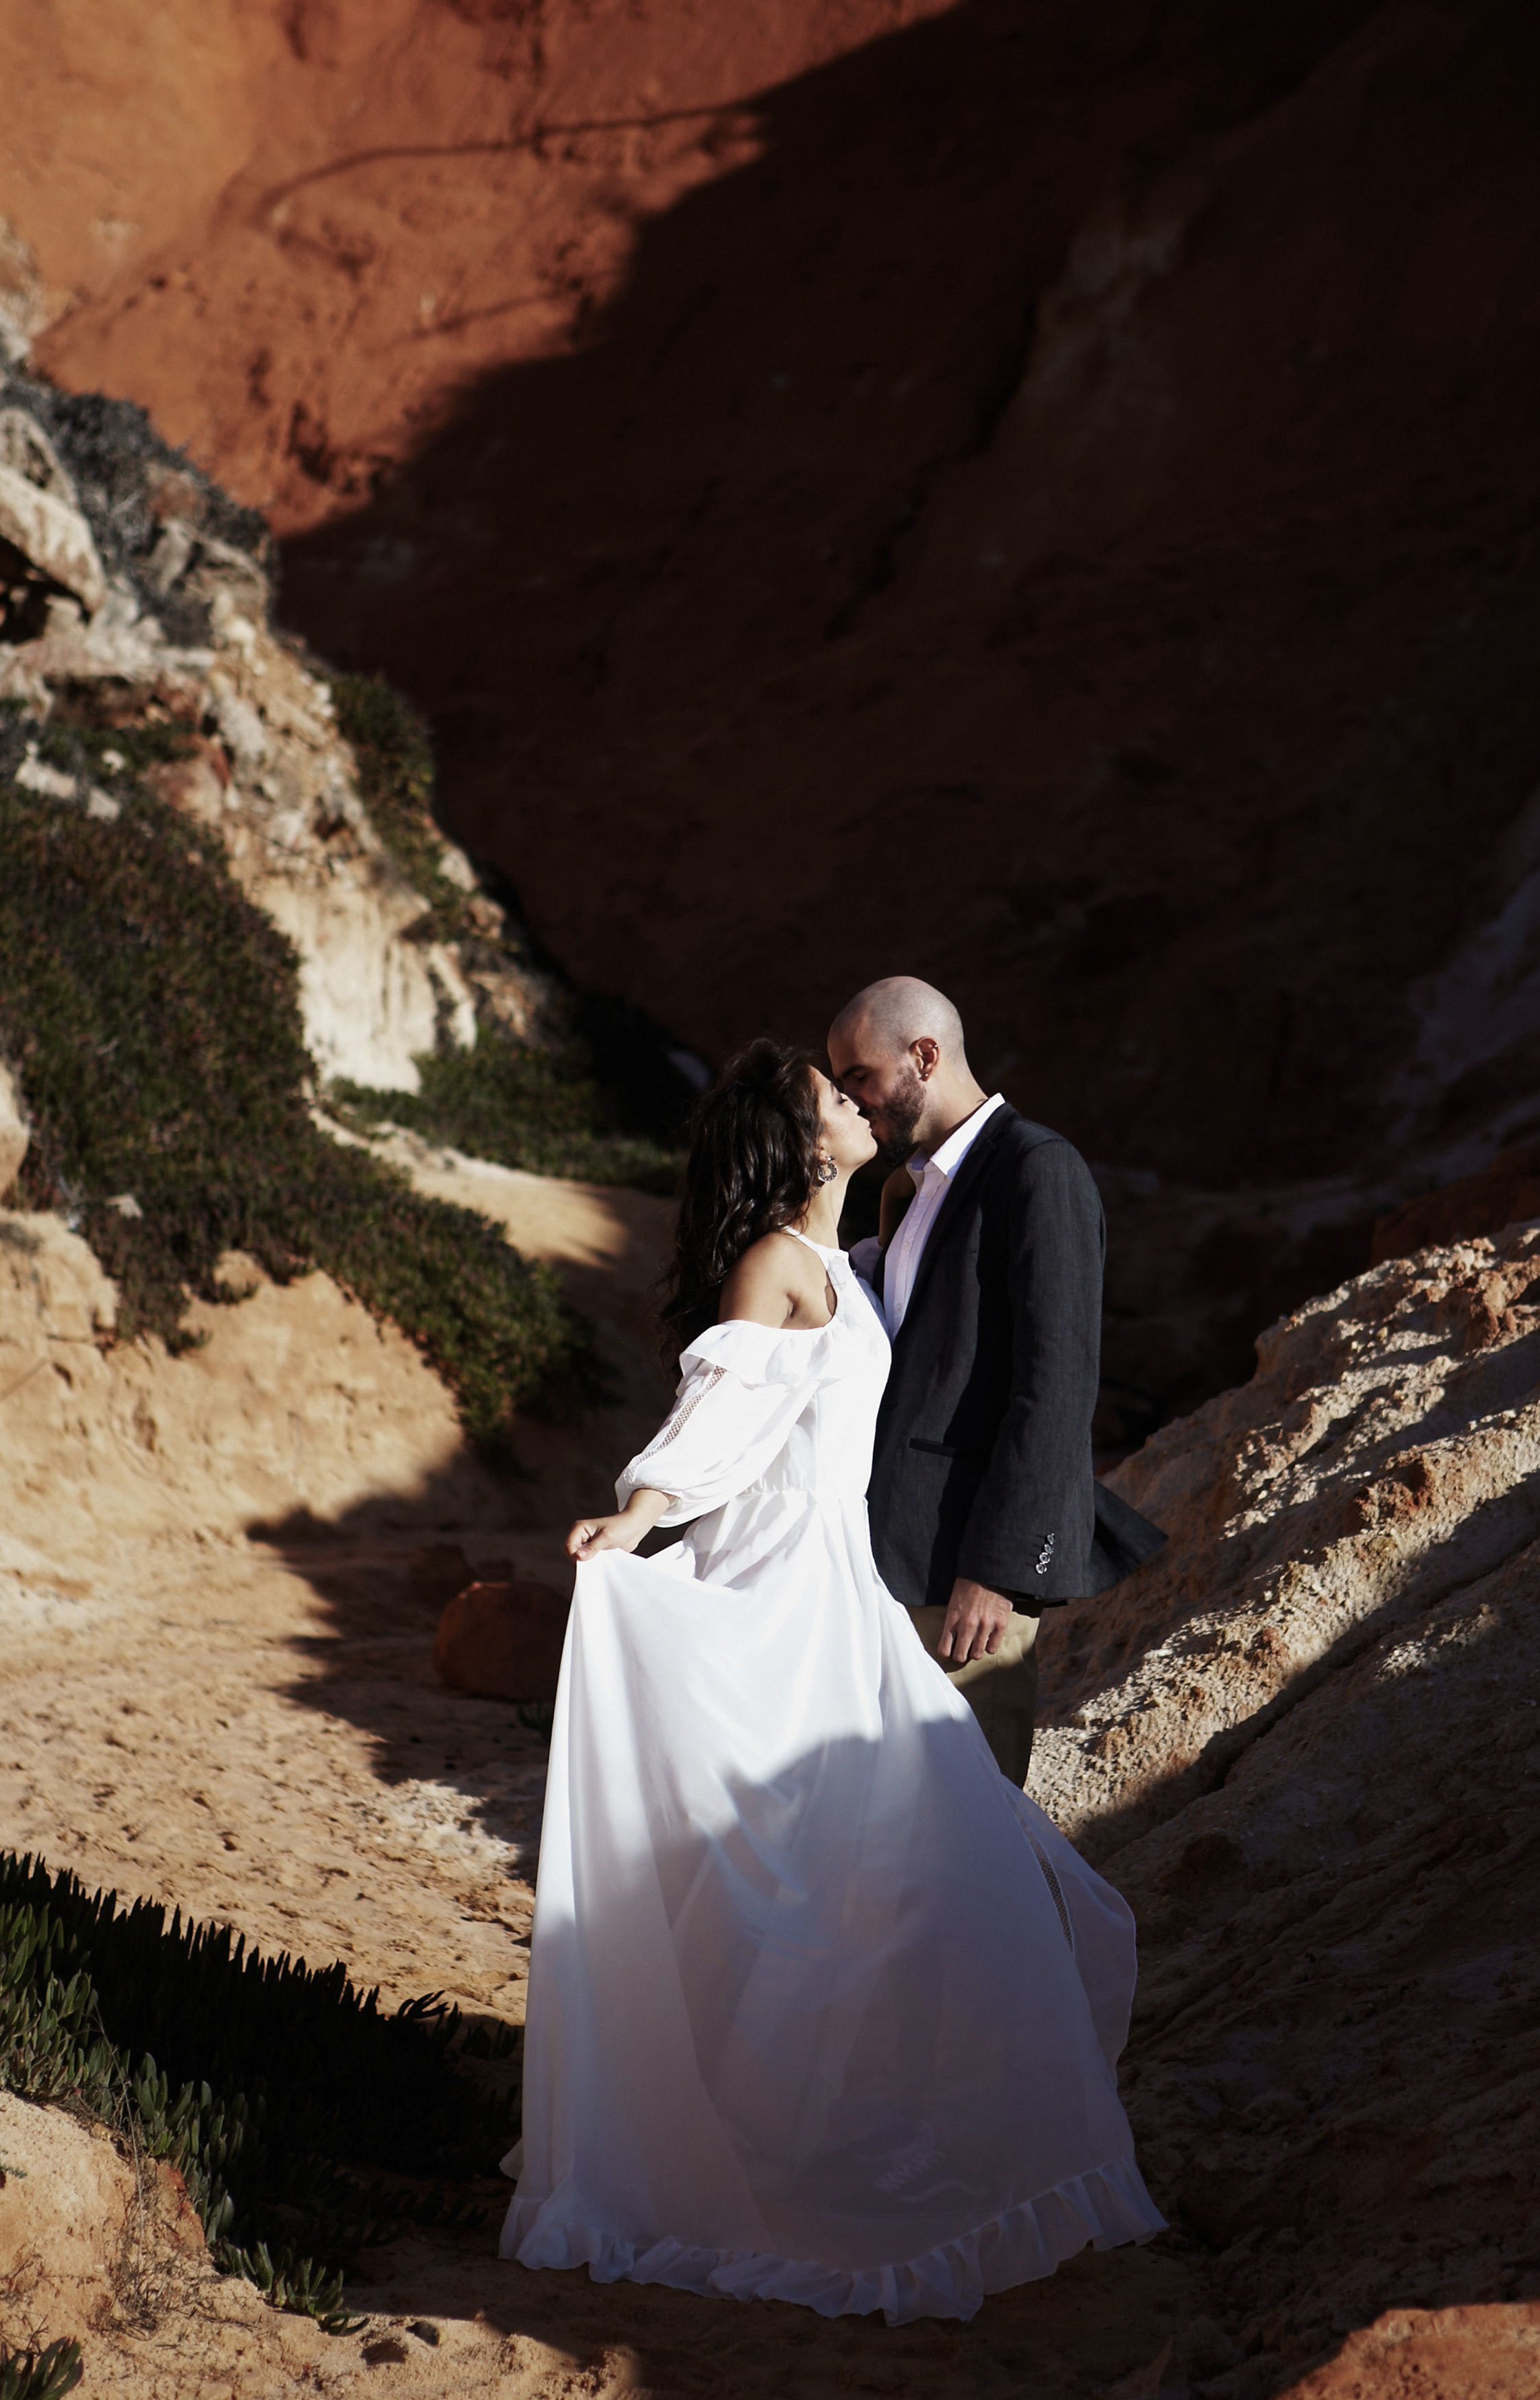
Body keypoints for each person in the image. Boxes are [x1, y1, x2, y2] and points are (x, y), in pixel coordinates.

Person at [499, 1039, 1163, 2324]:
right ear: (801, 1146)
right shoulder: (779, 1266)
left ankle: (878, 2127)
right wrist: (639, 1515)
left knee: (919, 1880)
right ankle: (777, 2149)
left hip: (842, 1590)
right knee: (815, 1890)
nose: (855, 1106)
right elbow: (722, 1411)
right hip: (787, 1593)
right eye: (830, 1100)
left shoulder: (845, 1266)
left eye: (857, 1089)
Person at [827, 977, 1163, 1788]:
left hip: (969, 1581)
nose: (853, 1102)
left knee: (973, 1833)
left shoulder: (1035, 1170)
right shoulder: (907, 1191)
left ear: (924, 1056)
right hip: (894, 1559)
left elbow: (1055, 1383)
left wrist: (999, 1569)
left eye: (859, 1079)